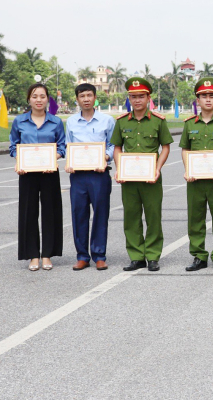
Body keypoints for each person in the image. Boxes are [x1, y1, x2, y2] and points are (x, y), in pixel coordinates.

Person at [112, 77, 172, 271]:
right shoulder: (122, 122)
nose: (137, 100)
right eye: (133, 96)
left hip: (151, 178)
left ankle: (153, 256)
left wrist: (157, 168)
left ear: (148, 98)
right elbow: (117, 147)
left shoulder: (158, 121)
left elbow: (165, 147)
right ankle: (136, 256)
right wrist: (119, 168)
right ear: (129, 98)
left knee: (153, 217)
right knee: (131, 217)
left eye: (141, 96)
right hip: (129, 179)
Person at [11, 83, 66, 271]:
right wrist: (20, 161)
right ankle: (33, 255)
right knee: (28, 213)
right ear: (29, 99)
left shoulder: (56, 122)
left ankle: (47, 254)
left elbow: (62, 146)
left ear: (47, 99)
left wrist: (53, 158)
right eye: (34, 96)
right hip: (27, 173)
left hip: (49, 172)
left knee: (51, 212)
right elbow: (14, 146)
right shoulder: (19, 121)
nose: (39, 100)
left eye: (42, 96)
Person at [180, 79, 213, 272]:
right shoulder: (189, 124)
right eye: (204, 96)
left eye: (212, 96)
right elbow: (185, 149)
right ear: (198, 100)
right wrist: (188, 169)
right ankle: (199, 255)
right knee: (195, 218)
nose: (208, 99)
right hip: (195, 181)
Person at [65, 83, 114, 271]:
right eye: (82, 96)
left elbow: (113, 144)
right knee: (79, 214)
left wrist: (106, 157)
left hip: (99, 174)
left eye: (89, 95)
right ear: (77, 99)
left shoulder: (107, 121)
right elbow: (69, 145)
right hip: (78, 176)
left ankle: (99, 255)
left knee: (101, 214)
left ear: (95, 97)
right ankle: (82, 256)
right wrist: (69, 162)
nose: (86, 99)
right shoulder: (71, 122)